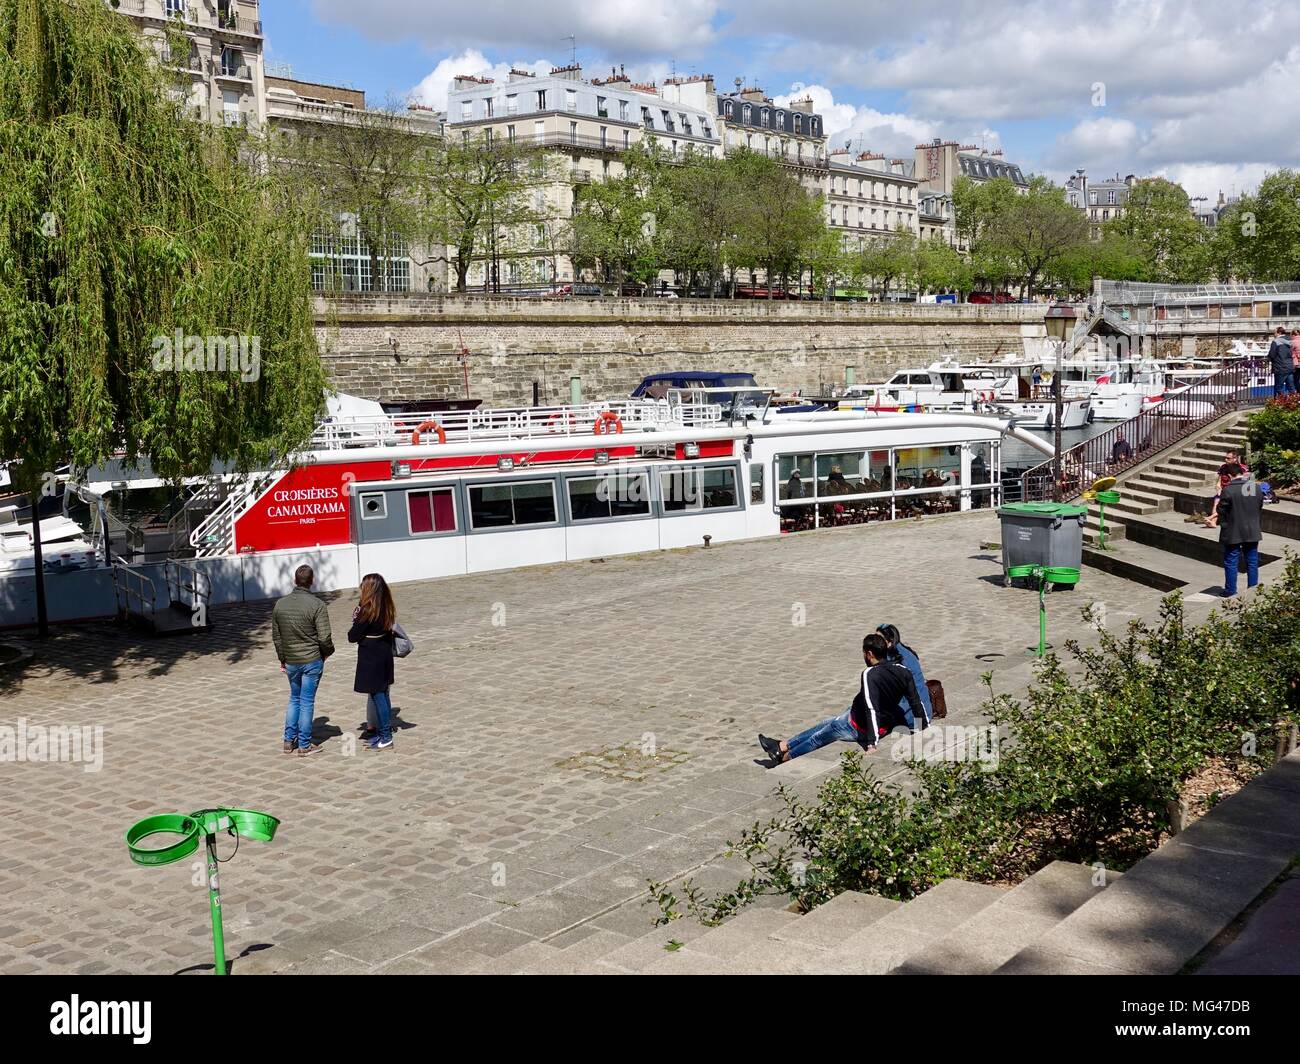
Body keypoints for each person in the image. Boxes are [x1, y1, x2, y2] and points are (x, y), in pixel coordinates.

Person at [758, 634, 921, 766]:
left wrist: (872, 744)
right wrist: (922, 727)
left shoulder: (870, 674)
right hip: (855, 715)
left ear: (870, 654)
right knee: (824, 723)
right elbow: (915, 701)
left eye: (864, 653)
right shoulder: (903, 671)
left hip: (856, 726)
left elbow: (872, 709)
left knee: (818, 738)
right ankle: (781, 746)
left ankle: (782, 759)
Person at [271, 564, 334, 757]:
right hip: (312, 659)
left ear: (295, 581)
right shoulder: (318, 605)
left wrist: (283, 658)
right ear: (312, 581)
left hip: (291, 660)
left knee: (294, 699)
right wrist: (327, 653)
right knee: (306, 702)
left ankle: (288, 741)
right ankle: (304, 744)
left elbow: (277, 636)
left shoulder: (280, 604)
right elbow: (324, 637)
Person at [348, 573, 398, 751]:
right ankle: (383, 733)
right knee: (383, 693)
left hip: (371, 657)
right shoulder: (386, 606)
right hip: (384, 653)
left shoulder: (367, 610)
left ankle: (385, 736)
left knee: (378, 695)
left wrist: (356, 619)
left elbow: (352, 636)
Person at [1217, 464, 1263, 597]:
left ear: (1230, 476)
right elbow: (1259, 506)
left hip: (1233, 530)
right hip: (1252, 529)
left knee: (1231, 560)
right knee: (1252, 560)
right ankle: (1253, 588)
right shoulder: (1255, 487)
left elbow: (1222, 510)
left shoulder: (1228, 490)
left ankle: (1231, 590)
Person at [875, 623, 933, 728]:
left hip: (914, 717)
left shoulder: (900, 661)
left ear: (889, 642)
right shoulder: (899, 652)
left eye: (879, 639)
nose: (875, 642)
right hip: (916, 710)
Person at [1267, 327, 1295, 396]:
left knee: (1279, 387)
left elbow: (1272, 354)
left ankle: (1279, 403)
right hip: (1290, 366)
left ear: (1279, 333)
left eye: (1275, 333)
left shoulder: (1276, 341)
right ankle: (1294, 402)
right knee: (1291, 387)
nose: (1274, 334)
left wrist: (1269, 359)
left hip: (1280, 367)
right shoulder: (1291, 340)